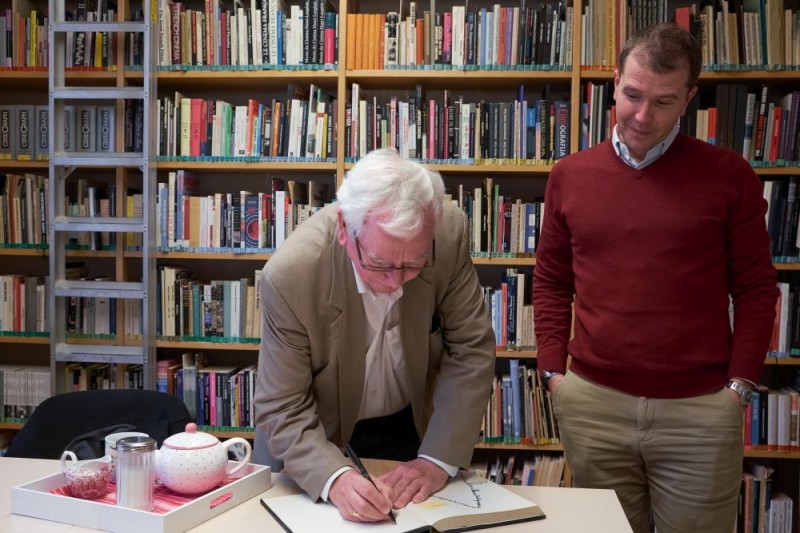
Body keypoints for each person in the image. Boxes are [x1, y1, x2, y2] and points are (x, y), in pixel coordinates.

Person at [532, 23, 779, 533]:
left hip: (700, 410)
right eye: (632, 95)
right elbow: (552, 280)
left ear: (690, 97)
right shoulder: (570, 176)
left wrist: (739, 388)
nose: (642, 116)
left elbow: (756, 289)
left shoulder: (729, 175)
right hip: (593, 403)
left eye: (663, 102)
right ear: (614, 79)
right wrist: (555, 373)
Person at [253, 148, 496, 523]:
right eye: (380, 263)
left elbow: (471, 348)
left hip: (413, 422)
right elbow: (281, 406)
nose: (396, 282)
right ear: (343, 231)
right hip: (319, 439)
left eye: (414, 263)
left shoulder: (446, 234)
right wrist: (333, 478)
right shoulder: (291, 275)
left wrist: (436, 460)